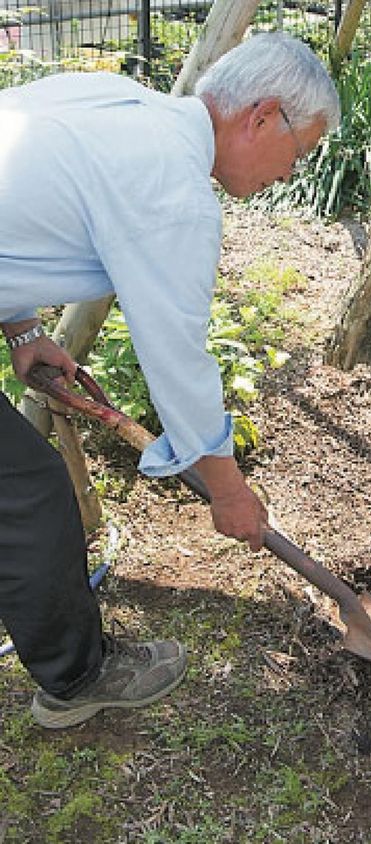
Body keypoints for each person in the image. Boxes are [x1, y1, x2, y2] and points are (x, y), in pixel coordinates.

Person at [0, 32, 340, 728]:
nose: (288, 174)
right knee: (26, 495)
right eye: (297, 152)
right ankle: (77, 679)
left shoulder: (121, 106)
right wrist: (228, 489)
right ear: (262, 116)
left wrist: (23, 328)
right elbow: (177, 360)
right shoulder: (174, 193)